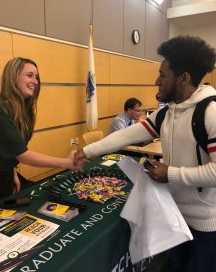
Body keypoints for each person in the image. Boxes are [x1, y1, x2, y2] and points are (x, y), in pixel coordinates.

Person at [75, 36, 216, 272]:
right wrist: (87, 151)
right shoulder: (166, 114)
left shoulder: (210, 113)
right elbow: (126, 136)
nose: (156, 81)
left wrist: (171, 174)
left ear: (184, 78)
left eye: (163, 75)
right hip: (175, 218)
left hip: (207, 228)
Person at [0, 57, 84, 202]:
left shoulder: (22, 108)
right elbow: (23, 155)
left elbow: (10, 148)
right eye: (29, 75)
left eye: (36, 77)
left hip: (6, 173)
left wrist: (12, 171)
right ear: (13, 76)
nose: (35, 81)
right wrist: (66, 163)